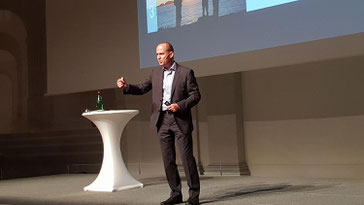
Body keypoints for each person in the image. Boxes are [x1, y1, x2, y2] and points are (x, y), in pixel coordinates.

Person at [116, 42, 201, 205]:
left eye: (161, 54)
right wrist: (127, 87)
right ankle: (175, 193)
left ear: (171, 54)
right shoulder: (155, 73)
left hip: (180, 119)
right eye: (156, 54)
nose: (158, 57)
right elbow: (142, 88)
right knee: (168, 159)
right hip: (162, 120)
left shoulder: (186, 72)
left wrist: (180, 105)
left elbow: (195, 95)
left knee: (186, 158)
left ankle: (194, 195)